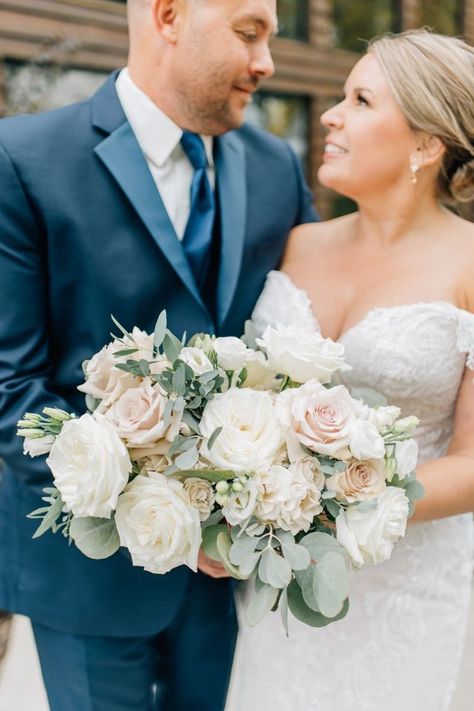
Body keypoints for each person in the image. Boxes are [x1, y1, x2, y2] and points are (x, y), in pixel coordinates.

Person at [0, 0, 317, 709]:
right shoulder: (22, 158)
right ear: (170, 16)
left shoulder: (275, 167)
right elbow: (9, 386)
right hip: (83, 573)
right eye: (249, 33)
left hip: (227, 576)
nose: (267, 61)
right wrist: (167, 514)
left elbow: (307, 338)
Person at [227, 29, 474, 711]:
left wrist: (328, 506)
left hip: (406, 583)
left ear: (426, 143)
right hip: (279, 576)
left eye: (360, 100)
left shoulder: (469, 265)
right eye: (339, 96)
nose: (331, 115)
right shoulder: (300, 242)